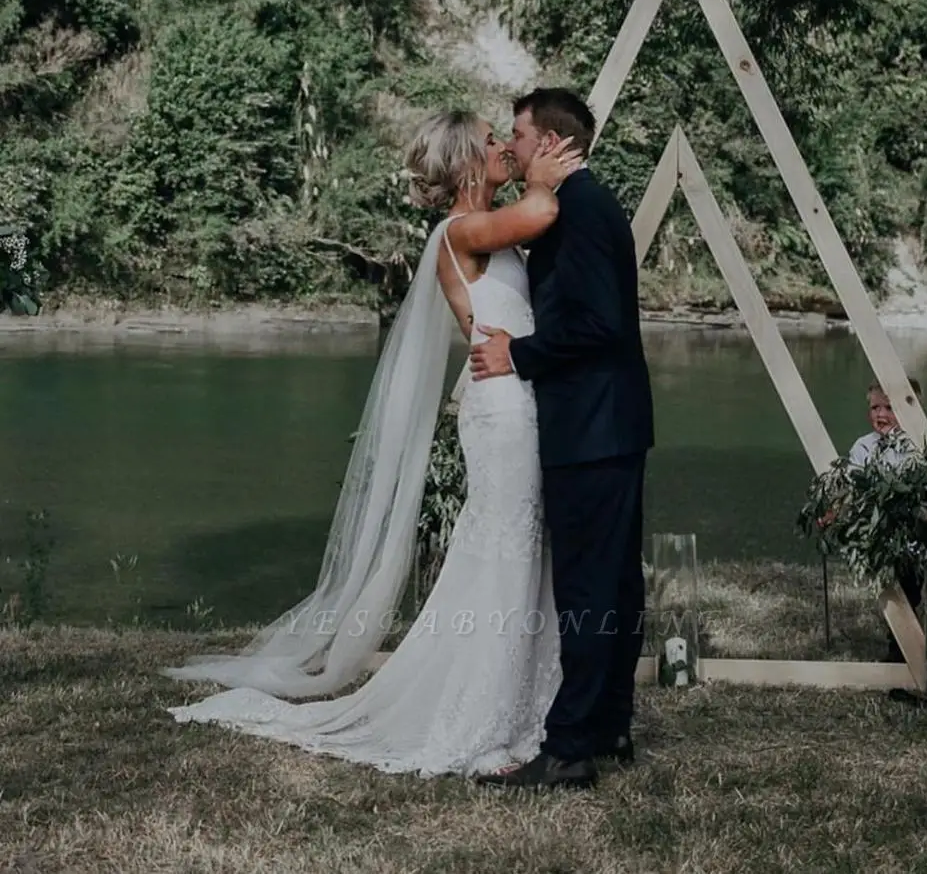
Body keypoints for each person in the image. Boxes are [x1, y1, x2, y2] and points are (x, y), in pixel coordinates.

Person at [162, 109, 583, 777]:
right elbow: (540, 214)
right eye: (494, 139)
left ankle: (530, 707)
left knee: (520, 551)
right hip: (501, 411)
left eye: (510, 138)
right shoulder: (462, 230)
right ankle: (483, 722)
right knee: (505, 550)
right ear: (470, 159)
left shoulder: (487, 231)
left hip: (519, 395)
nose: (506, 145)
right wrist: (552, 171)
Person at [469, 88, 655, 791]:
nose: (512, 146)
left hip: (592, 426)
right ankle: (608, 723)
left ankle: (571, 747)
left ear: (549, 141)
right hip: (609, 424)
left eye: (517, 133)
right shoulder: (580, 206)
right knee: (613, 585)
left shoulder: (579, 212)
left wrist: (518, 353)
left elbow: (596, 326)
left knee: (586, 588)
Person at [846, 378, 924, 663]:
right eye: (875, 407)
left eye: (889, 407)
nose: (880, 414)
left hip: (914, 537)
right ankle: (899, 644)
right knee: (891, 591)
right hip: (879, 536)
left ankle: (904, 651)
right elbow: (849, 485)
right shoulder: (863, 446)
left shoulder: (920, 445)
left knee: (911, 587)